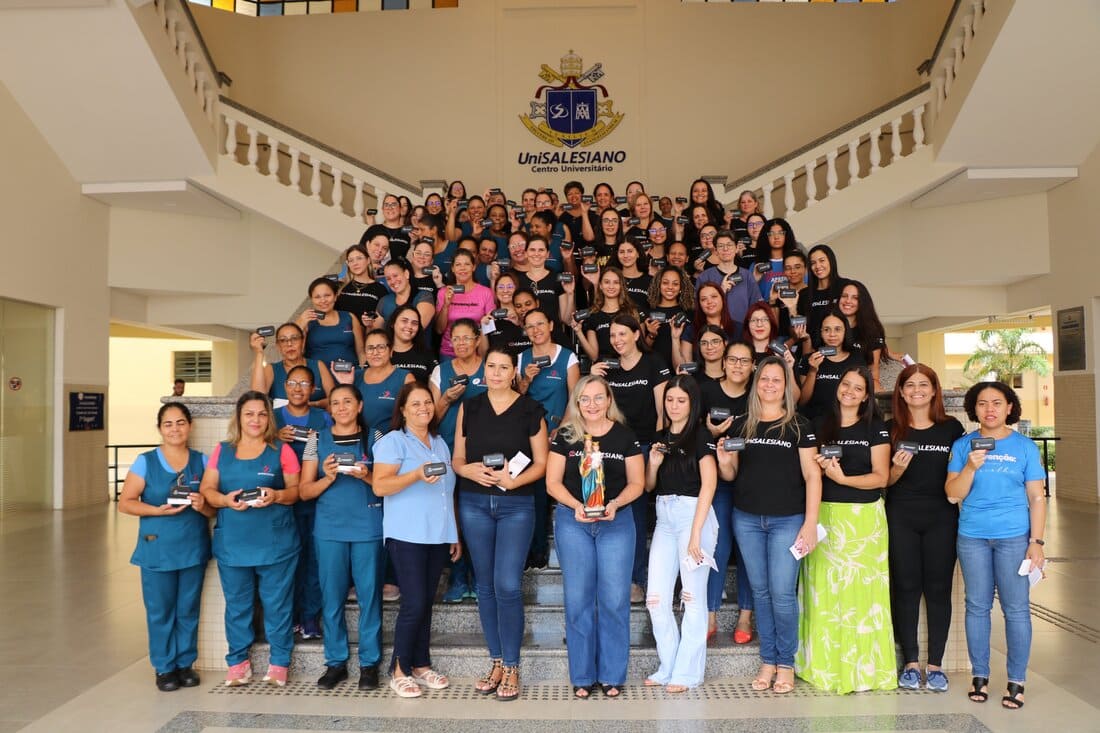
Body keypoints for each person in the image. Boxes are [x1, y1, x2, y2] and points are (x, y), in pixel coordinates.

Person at [717, 356, 820, 695]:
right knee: (760, 592)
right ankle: (768, 660)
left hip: (787, 521)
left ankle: (785, 663)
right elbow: (731, 475)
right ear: (756, 383)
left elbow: (812, 475)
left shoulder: (799, 425)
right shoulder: (742, 423)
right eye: (765, 379)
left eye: (777, 380)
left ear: (785, 385)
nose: (770, 385)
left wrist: (810, 523)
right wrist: (723, 459)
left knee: (782, 593)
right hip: (746, 519)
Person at [453, 347, 549, 701]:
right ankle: (495, 661)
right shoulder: (470, 406)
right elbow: (457, 458)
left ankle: (512, 665)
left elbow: (540, 463)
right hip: (474, 503)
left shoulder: (530, 409)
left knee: (508, 584)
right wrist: (467, 470)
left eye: (503, 367)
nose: (495, 372)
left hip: (516, 505)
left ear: (514, 372)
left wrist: (513, 481)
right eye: (490, 366)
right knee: (486, 585)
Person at [946, 381, 1046, 711]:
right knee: (976, 606)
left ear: (1009, 408)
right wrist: (972, 466)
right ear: (973, 409)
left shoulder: (1025, 448)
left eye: (997, 403)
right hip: (972, 536)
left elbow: (1036, 497)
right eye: (982, 403)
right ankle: (980, 675)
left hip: (1015, 538)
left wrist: (1037, 542)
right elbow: (954, 493)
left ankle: (1016, 680)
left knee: (1016, 609)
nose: (990, 409)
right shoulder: (963, 446)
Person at [796, 365, 896, 693]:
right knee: (824, 592)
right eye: (845, 385)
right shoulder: (820, 424)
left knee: (861, 595)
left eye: (857, 388)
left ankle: (863, 670)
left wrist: (842, 478)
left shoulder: (875, 428)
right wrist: (821, 471)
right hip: (824, 515)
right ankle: (825, 666)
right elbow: (807, 470)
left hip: (863, 519)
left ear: (867, 395)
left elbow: (881, 477)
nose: (849, 392)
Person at [546, 376, 645, 698]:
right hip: (573, 522)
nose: (591, 405)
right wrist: (576, 506)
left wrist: (615, 504)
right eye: (584, 399)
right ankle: (583, 676)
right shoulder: (565, 437)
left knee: (615, 600)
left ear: (608, 399)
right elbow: (552, 483)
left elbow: (637, 483)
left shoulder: (625, 437)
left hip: (616, 523)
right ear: (576, 402)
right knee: (578, 600)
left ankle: (612, 675)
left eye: (598, 398)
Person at [199, 391, 301, 687]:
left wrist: (277, 495)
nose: (255, 419)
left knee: (278, 604)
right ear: (239, 418)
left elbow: (295, 492)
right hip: (233, 544)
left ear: (269, 417)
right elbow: (208, 489)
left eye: (261, 413)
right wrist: (225, 500)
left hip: (276, 544)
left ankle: (280, 661)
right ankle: (238, 662)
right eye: (249, 414)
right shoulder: (223, 450)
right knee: (238, 604)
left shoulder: (281, 450)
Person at [372, 383, 461, 698]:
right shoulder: (394, 442)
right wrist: (415, 474)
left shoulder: (439, 444)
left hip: (437, 535)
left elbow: (446, 492)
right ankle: (399, 669)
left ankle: (421, 665)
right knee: (414, 602)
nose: (424, 408)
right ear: (403, 410)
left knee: (426, 602)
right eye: (416, 404)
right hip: (406, 534)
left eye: (428, 402)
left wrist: (453, 533)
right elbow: (380, 486)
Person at [118, 402, 213, 691]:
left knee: (188, 608)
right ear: (160, 428)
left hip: (192, 548)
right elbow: (126, 503)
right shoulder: (145, 462)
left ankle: (185, 664)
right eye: (168, 424)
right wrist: (157, 511)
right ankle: (164, 667)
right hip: (157, 548)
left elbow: (213, 510)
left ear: (190, 426)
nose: (175, 429)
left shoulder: (202, 461)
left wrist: (202, 504)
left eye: (180, 422)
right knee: (160, 610)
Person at [299, 384, 384, 691]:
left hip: (368, 527)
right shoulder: (316, 439)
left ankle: (369, 664)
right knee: (331, 598)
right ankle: (335, 662)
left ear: (359, 406)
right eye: (336, 403)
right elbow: (304, 491)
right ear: (329, 409)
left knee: (370, 598)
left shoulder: (375, 437)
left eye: (348, 401)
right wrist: (327, 477)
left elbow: (386, 485)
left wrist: (367, 475)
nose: (342, 407)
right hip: (330, 529)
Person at [886, 363, 964, 692]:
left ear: (934, 391)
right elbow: (883, 483)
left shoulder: (952, 429)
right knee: (905, 588)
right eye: (910, 385)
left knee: (937, 590)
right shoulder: (890, 430)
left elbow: (961, 476)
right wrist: (896, 470)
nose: (917, 390)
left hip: (941, 516)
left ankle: (935, 666)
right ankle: (910, 663)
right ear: (901, 392)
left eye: (924, 384)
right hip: (900, 514)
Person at [644, 376, 719, 692]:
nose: (674, 406)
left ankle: (688, 672)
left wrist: (696, 534)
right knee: (655, 598)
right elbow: (650, 487)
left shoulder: (700, 436)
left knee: (691, 596)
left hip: (694, 517)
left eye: (681, 400)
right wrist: (652, 464)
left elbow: (710, 483)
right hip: (664, 516)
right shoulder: (660, 437)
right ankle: (669, 666)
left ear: (692, 403)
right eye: (670, 400)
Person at [592, 315, 671, 604]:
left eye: (623, 334)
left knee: (636, 514)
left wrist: (662, 444)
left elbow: (663, 409)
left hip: (646, 445)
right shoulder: (607, 367)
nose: (617, 340)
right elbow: (595, 405)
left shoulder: (653, 363)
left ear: (637, 334)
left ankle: (637, 579)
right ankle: (612, 578)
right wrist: (593, 377)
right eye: (613, 335)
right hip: (612, 448)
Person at [429, 318, 487, 602]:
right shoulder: (440, 372)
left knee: (477, 515)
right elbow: (429, 419)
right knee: (451, 514)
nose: (461, 343)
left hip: (484, 454)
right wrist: (446, 400)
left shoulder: (491, 368)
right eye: (456, 338)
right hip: (449, 450)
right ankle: (457, 574)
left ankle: (478, 574)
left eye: (467, 338)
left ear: (478, 339)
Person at [273, 365, 333, 641]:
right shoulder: (272, 419)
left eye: (304, 383)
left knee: (314, 561)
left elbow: (334, 449)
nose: (298, 388)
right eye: (293, 383)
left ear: (313, 389)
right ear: (285, 387)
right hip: (282, 501)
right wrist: (273, 437)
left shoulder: (322, 418)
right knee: (286, 562)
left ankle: (309, 616)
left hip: (315, 499)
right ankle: (289, 616)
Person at [700, 342, 755, 644]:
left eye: (743, 360)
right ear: (723, 362)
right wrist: (712, 434)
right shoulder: (707, 391)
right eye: (732, 359)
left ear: (752, 365)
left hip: (753, 480)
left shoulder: (759, 394)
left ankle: (745, 615)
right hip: (717, 481)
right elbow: (692, 434)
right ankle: (710, 615)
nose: (737, 365)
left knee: (747, 550)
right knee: (717, 547)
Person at [798, 311, 866, 421]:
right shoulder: (809, 359)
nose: (832, 334)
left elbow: (863, 395)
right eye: (826, 330)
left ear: (845, 331)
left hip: (846, 421)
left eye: (837, 329)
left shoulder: (857, 359)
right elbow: (802, 401)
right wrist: (812, 370)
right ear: (820, 332)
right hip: (813, 421)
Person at [250, 323, 334, 408]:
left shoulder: (318, 366)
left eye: (294, 338)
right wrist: (259, 352)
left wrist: (312, 404)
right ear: (278, 346)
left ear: (303, 341)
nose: (289, 344)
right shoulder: (271, 369)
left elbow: (334, 400)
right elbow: (257, 397)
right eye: (283, 340)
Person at [434, 250, 494, 359]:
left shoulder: (486, 292)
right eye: (458, 265)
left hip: (476, 352)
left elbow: (490, 328)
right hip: (449, 352)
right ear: (452, 268)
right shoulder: (444, 292)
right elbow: (439, 330)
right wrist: (446, 305)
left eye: (467, 264)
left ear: (474, 267)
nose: (462, 268)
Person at [574, 267, 639, 362]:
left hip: (629, 366)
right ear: (600, 285)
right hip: (603, 370)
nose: (611, 286)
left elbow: (638, 346)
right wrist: (578, 331)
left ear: (621, 286)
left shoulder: (631, 312)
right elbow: (593, 356)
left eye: (616, 282)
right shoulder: (593, 315)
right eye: (607, 282)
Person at [838, 279, 891, 391]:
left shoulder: (872, 331)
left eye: (855, 298)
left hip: (857, 388)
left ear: (862, 302)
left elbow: (873, 372)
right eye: (844, 296)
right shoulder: (827, 325)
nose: (848, 301)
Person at [301, 277, 364, 367]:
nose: (323, 300)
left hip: (350, 374)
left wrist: (363, 372)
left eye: (327, 295)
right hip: (318, 376)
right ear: (312, 299)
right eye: (317, 297)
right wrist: (301, 325)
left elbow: (361, 352)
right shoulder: (306, 320)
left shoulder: (349, 317)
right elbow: (298, 353)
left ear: (335, 296)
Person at [643, 265, 694, 368]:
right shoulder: (649, 312)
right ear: (659, 285)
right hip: (655, 370)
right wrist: (651, 335)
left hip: (681, 370)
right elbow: (642, 351)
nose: (670, 287)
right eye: (665, 283)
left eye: (675, 284)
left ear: (681, 287)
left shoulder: (689, 313)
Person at [797, 244, 847, 347]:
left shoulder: (846, 287)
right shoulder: (804, 294)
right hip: (812, 352)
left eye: (822, 260)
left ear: (831, 261)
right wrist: (792, 307)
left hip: (842, 352)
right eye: (813, 263)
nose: (818, 266)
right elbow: (799, 329)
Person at [336, 244, 388, 327]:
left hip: (367, 336)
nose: (355, 263)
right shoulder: (341, 288)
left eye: (359, 258)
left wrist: (370, 325)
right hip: (340, 336)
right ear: (348, 264)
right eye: (351, 260)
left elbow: (382, 322)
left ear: (368, 260)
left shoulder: (380, 289)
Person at [378, 258, 435, 332]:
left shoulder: (424, 297)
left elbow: (415, 330)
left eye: (395, 276)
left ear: (406, 274)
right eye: (388, 278)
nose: (393, 281)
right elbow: (375, 335)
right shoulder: (384, 301)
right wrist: (369, 325)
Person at [388, 305, 437, 382]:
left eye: (414, 323)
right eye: (404, 321)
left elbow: (436, 383)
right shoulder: (382, 352)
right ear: (392, 323)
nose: (409, 326)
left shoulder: (426, 353)